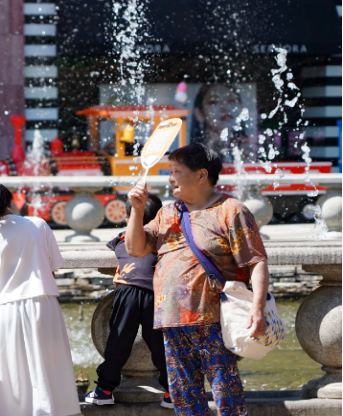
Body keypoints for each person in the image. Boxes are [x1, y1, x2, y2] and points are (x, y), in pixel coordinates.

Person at [126, 143, 269, 416]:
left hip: (214, 320)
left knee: (226, 395)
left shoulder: (230, 210)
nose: (170, 178)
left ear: (202, 175)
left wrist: (257, 309)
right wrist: (137, 208)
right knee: (185, 399)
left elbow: (256, 261)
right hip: (171, 320)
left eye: (177, 171)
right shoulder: (167, 212)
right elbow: (135, 248)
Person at [0, 172, 81, 416]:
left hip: (4, 311)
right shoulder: (38, 225)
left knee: (11, 390)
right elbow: (51, 271)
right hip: (44, 307)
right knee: (49, 381)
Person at [86, 194, 174, 410]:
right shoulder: (163, 239)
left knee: (118, 342)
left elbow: (115, 246)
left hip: (128, 292)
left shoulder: (124, 239)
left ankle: (104, 390)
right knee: (161, 346)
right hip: (156, 294)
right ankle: (172, 392)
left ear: (128, 218)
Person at [190, 84, 252, 162]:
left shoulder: (253, 149)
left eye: (231, 101)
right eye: (213, 102)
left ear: (242, 109)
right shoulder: (192, 156)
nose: (225, 108)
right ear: (199, 113)